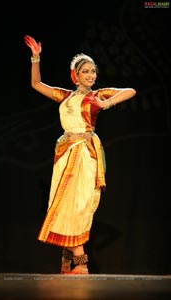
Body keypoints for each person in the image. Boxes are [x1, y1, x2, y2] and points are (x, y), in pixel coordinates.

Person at [24, 34, 136, 275]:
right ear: (75, 75)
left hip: (84, 155)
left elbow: (130, 90)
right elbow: (36, 85)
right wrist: (35, 58)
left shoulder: (97, 95)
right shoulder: (65, 96)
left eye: (93, 71)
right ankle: (68, 259)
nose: (91, 75)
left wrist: (108, 103)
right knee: (64, 203)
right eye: (86, 71)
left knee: (76, 205)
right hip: (64, 154)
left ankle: (81, 263)